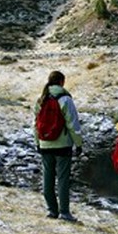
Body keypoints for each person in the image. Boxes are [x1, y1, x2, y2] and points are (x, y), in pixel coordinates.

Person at [34, 70, 83, 222]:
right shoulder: (65, 99)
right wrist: (78, 143)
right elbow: (72, 123)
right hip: (62, 145)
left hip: (44, 144)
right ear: (62, 82)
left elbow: (36, 124)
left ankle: (51, 210)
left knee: (47, 178)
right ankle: (64, 212)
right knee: (62, 179)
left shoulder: (41, 99)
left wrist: (38, 142)